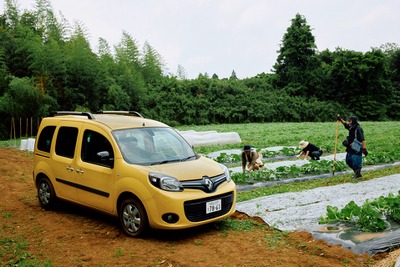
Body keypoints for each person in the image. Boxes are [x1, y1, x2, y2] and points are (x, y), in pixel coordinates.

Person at [337, 114, 368, 179]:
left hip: (356, 147)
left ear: (353, 121)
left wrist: (364, 149)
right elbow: (345, 124)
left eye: (350, 121)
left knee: (356, 161)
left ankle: (357, 174)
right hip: (350, 147)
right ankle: (356, 173)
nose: (349, 122)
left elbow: (362, 139)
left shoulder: (358, 129)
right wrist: (340, 119)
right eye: (348, 121)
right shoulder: (351, 127)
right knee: (348, 160)